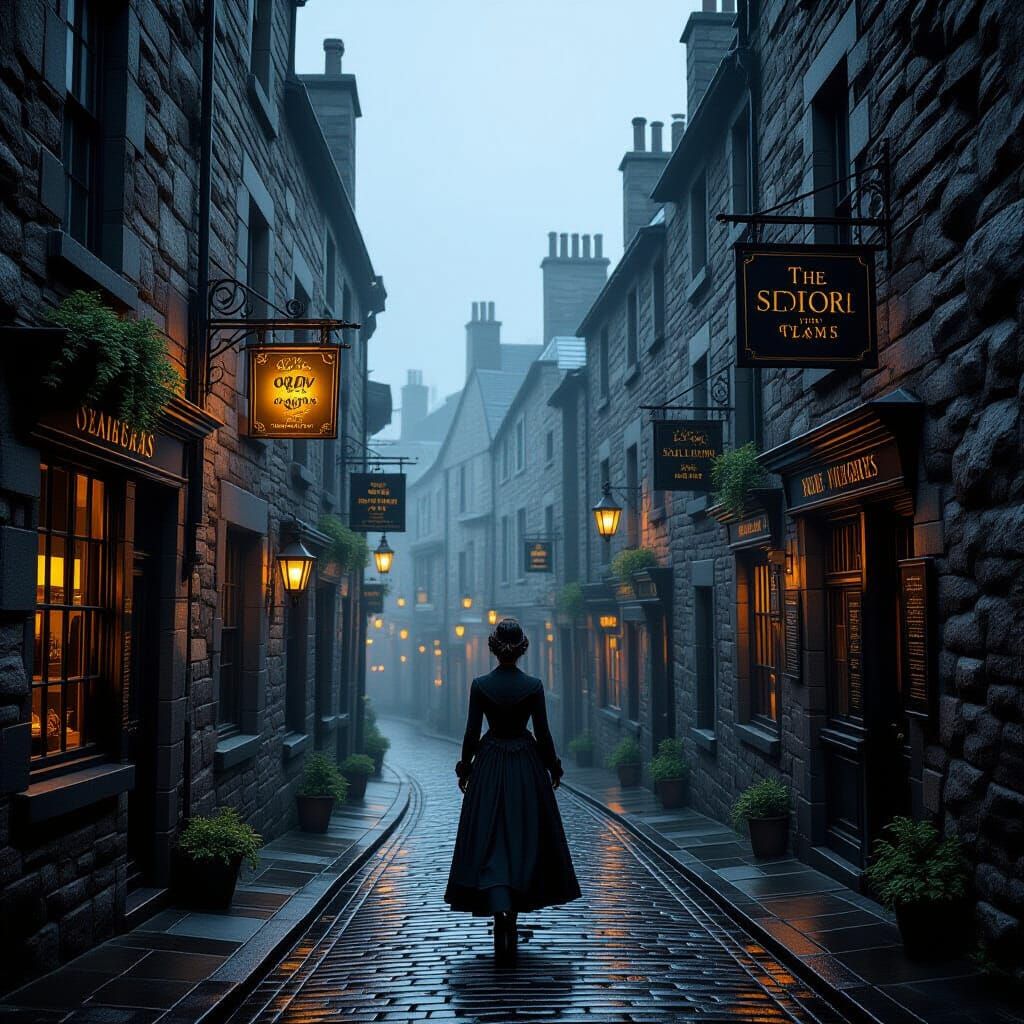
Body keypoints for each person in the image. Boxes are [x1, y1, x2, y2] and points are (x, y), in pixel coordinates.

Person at [444, 618, 581, 962]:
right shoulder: (533, 686)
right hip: (525, 766)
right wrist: (554, 767)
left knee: (491, 837)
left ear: (493, 646)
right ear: (522, 648)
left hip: (490, 765)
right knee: (523, 836)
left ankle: (498, 908)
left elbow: (471, 734)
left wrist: (466, 768)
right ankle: (514, 911)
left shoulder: (480, 685)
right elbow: (544, 734)